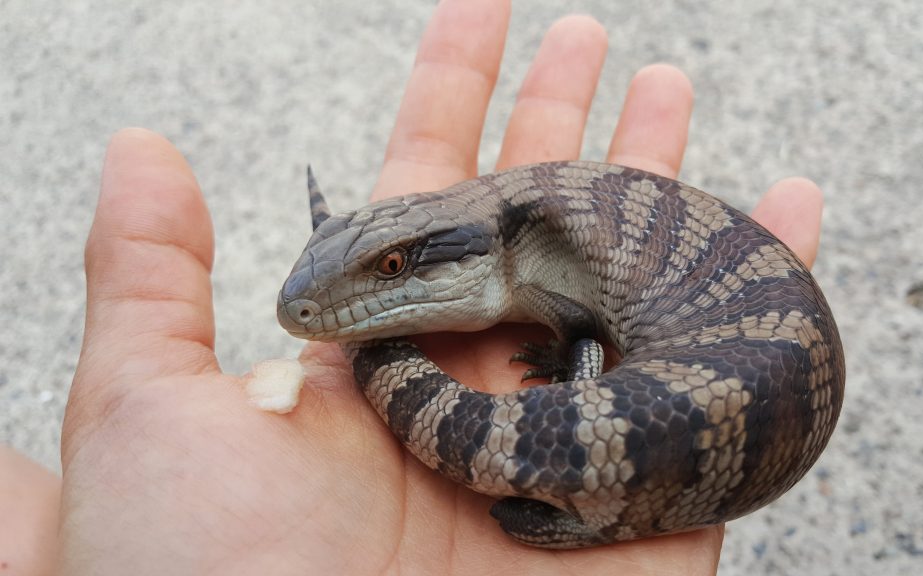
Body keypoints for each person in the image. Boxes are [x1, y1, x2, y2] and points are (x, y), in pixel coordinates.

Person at [1, 0, 825, 573]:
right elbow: (578, 332)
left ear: (475, 253)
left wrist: (578, 394)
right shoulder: (539, 264)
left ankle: (608, 508)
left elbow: (580, 342)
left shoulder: (536, 253)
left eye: (391, 269)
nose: (314, 313)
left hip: (763, 359)